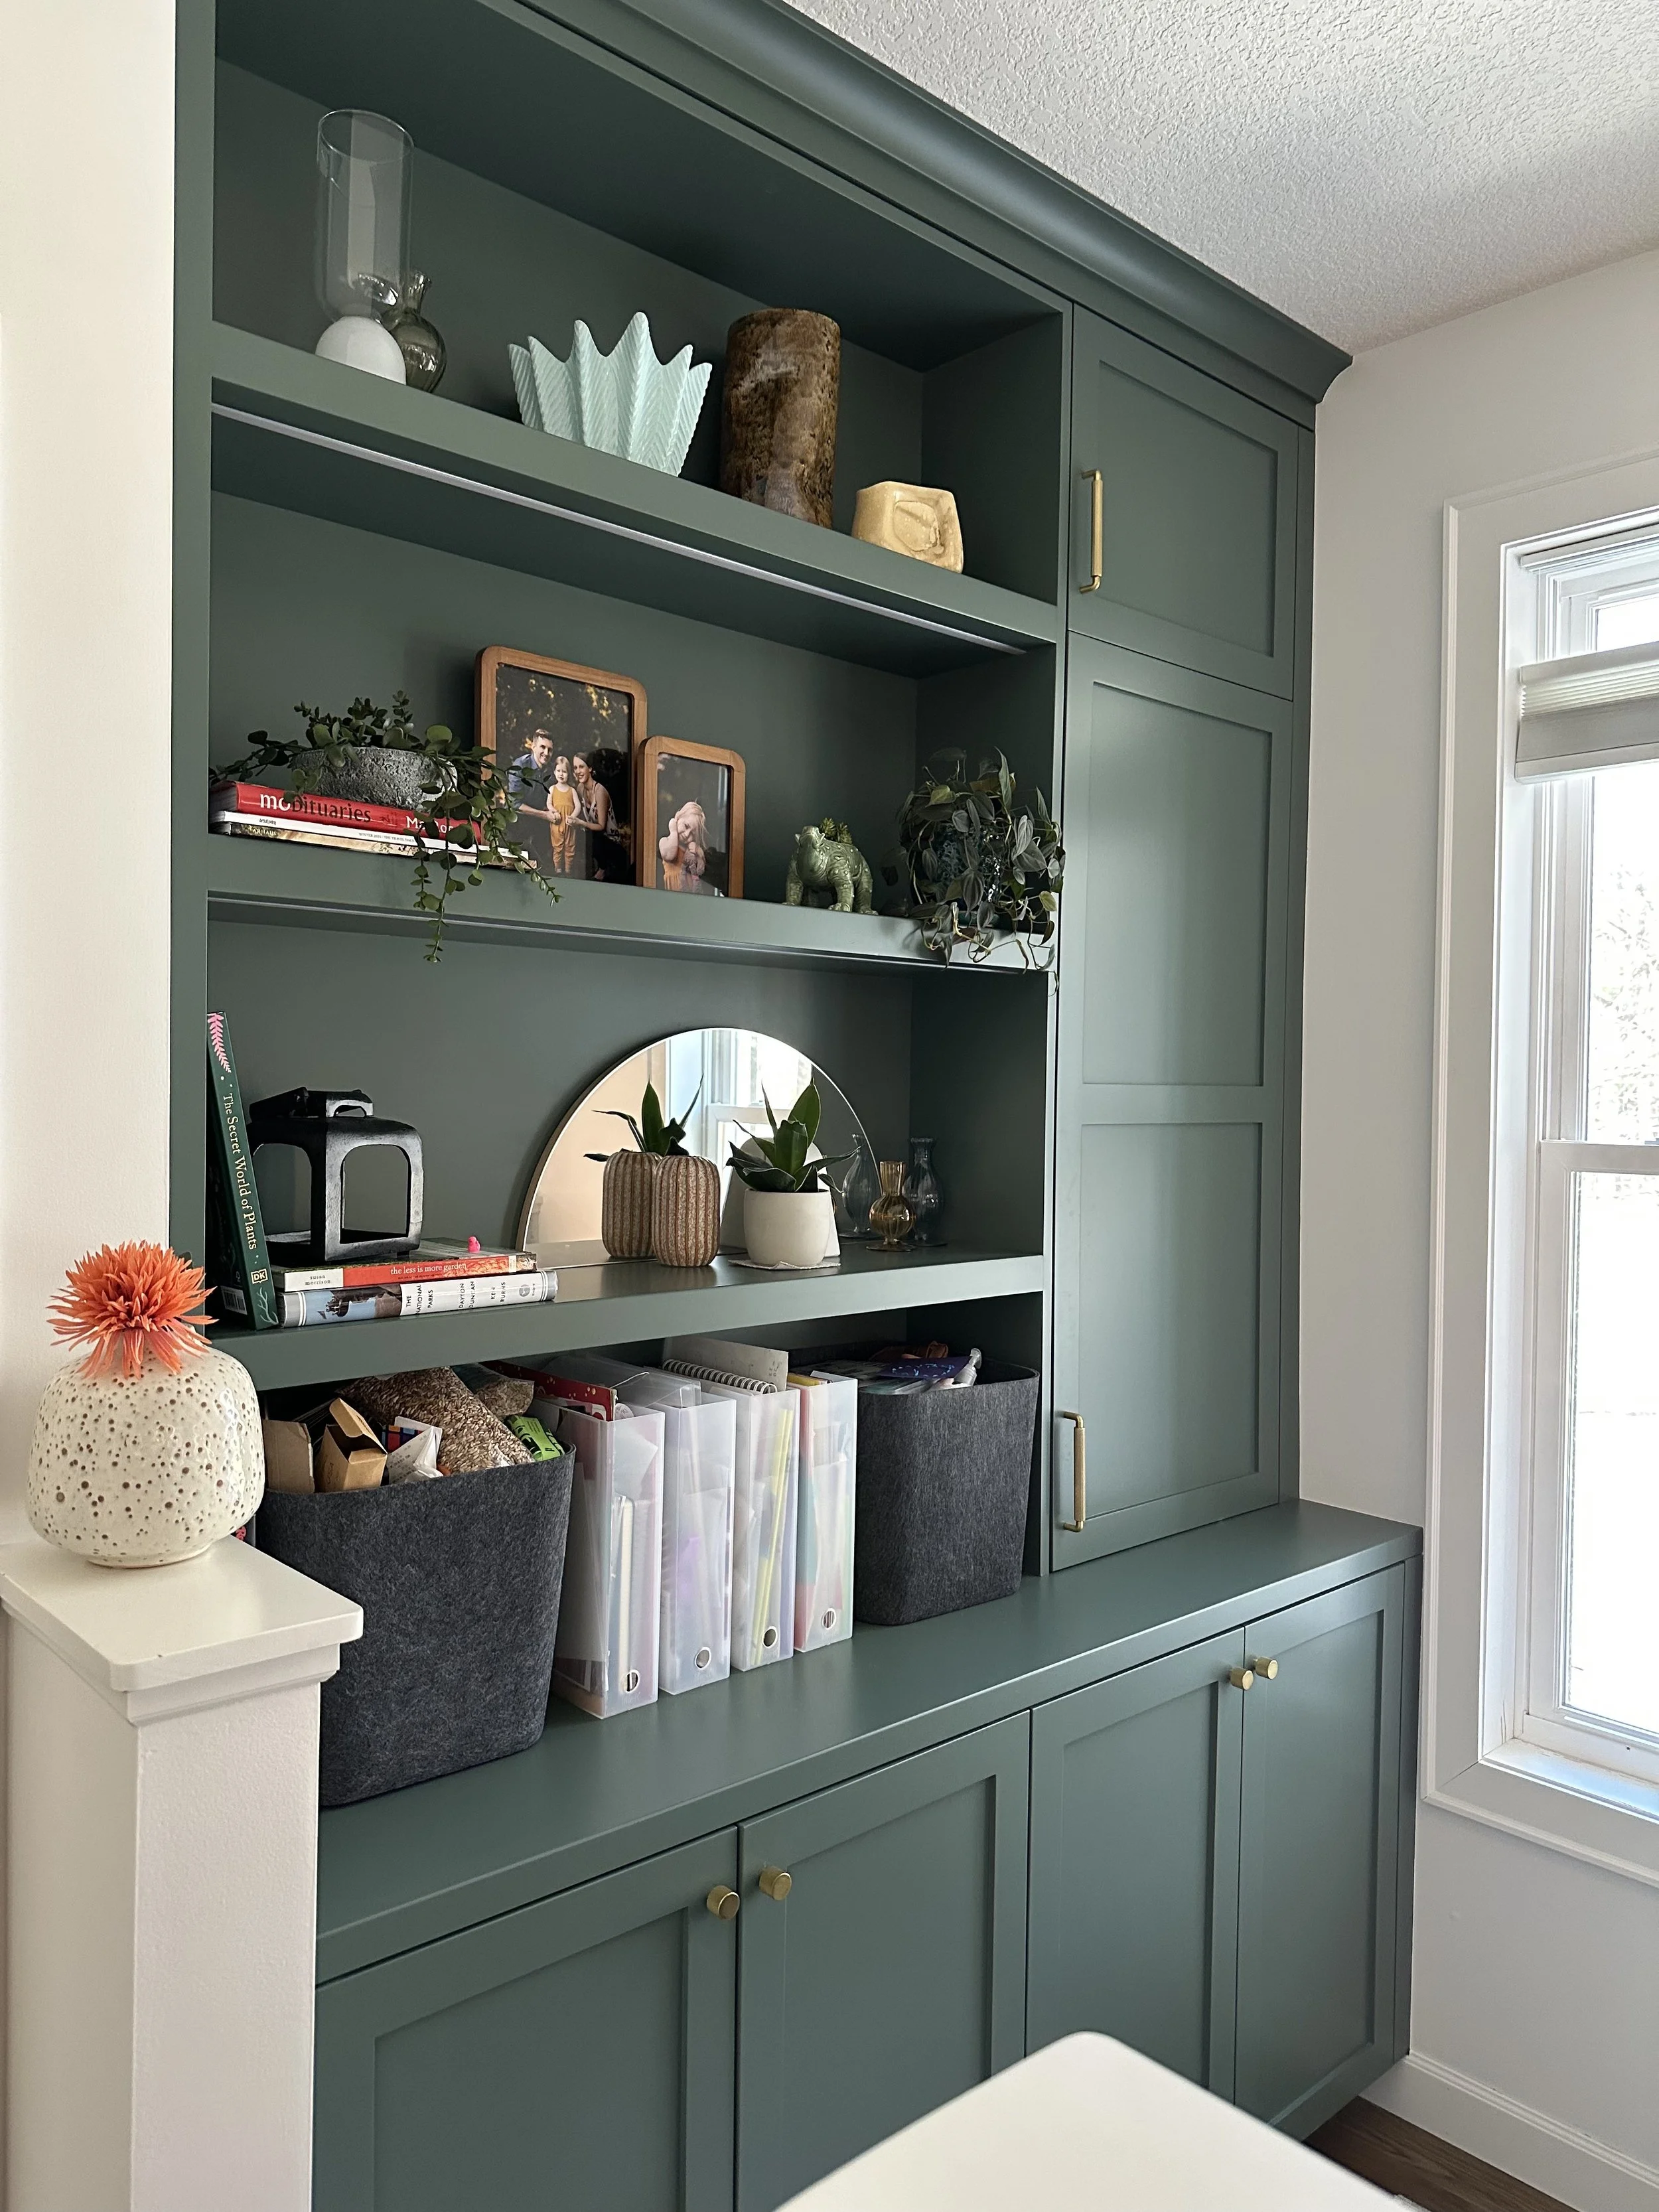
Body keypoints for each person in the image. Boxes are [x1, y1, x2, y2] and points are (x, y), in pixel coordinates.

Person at [660, 797, 712, 893]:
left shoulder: (690, 850)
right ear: (678, 817)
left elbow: (700, 870)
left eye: (692, 834)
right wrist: (674, 830)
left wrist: (699, 853)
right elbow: (669, 856)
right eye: (686, 826)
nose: (687, 834)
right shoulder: (665, 841)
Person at [545, 755, 579, 873]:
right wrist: (554, 811)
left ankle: (568, 869)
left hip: (569, 823)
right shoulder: (552, 789)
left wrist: (573, 816)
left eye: (564, 771)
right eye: (558, 771)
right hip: (558, 822)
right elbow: (549, 804)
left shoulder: (572, 790)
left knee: (570, 846)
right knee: (557, 847)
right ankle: (558, 869)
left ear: (568, 773)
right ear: (554, 772)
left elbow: (578, 806)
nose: (561, 774)